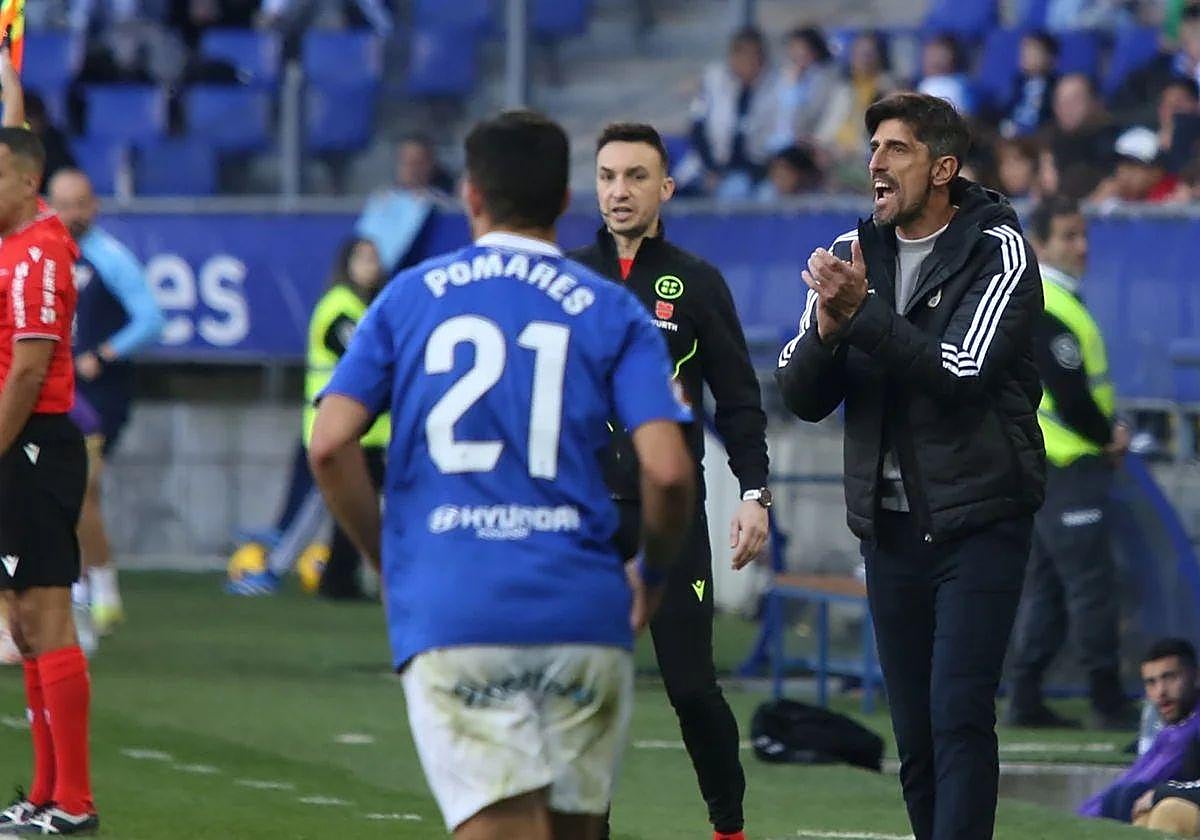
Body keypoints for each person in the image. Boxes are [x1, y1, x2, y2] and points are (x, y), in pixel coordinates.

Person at [308, 110, 696, 840]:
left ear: (471, 196)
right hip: (583, 609)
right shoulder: (612, 308)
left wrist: (387, 560)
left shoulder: (408, 298)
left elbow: (330, 445)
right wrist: (650, 572)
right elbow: (669, 474)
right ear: (564, 202)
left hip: (458, 606)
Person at [775, 92, 1045, 840]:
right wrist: (829, 332)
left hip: (979, 517)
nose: (876, 165)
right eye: (872, 150)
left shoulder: (998, 249)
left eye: (896, 149)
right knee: (917, 736)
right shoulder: (853, 254)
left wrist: (862, 317)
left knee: (959, 715)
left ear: (944, 168)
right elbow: (799, 394)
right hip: (888, 528)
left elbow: (962, 371)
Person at [569, 122, 770, 840]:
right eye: (607, 176)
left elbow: (741, 403)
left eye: (634, 177)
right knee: (581, 691)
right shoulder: (562, 278)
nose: (618, 191)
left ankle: (729, 827)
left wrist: (754, 495)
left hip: (671, 519)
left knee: (691, 689)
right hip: (582, 520)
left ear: (665, 189)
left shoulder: (698, 283)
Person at [0, 127, 98, 835]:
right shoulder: (16, 245)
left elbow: (29, 373)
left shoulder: (37, 253)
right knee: (21, 621)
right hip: (15, 447)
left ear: (28, 182)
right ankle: (43, 791)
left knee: (46, 614)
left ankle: (75, 802)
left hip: (32, 445)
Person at [1006, 197, 1136, 730]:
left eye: (1082, 235)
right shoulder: (1051, 305)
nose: (1080, 247)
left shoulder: (1051, 300)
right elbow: (1071, 395)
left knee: (1051, 589)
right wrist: (1108, 437)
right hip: (1070, 467)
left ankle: (1025, 696)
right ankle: (1107, 701)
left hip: (1045, 470)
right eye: (1067, 236)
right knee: (1090, 587)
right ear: (1041, 245)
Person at [48, 168, 164, 635]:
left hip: (98, 394)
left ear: (94, 206)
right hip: (56, 390)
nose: (72, 214)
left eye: (80, 204)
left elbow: (151, 318)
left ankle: (99, 589)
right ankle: (87, 587)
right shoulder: (42, 254)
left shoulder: (110, 258)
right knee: (65, 493)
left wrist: (105, 354)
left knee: (82, 491)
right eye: (63, 204)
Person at [1080, 638, 1200, 823]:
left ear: (1196, 677)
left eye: (1170, 677)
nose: (1161, 691)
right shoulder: (1172, 729)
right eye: (1151, 682)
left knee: (1131, 797)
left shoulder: (1191, 731)